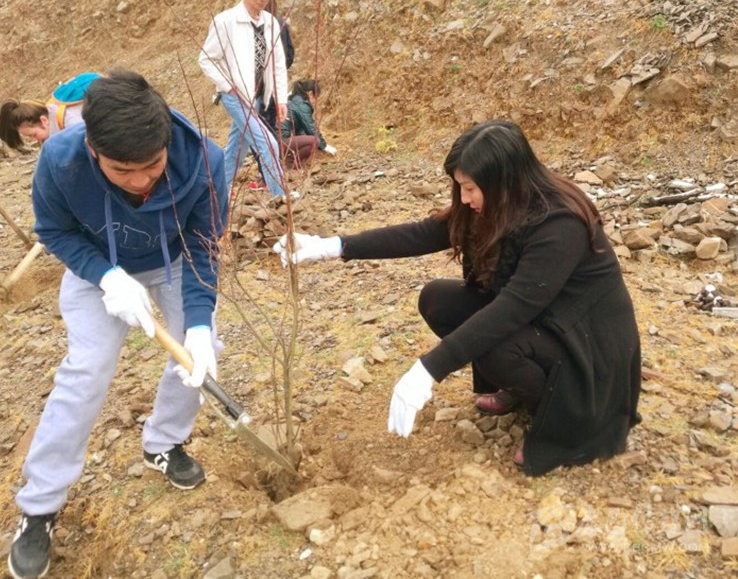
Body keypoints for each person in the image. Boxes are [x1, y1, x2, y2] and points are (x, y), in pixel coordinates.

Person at [274, 120, 641, 477]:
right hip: (547, 321)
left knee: (494, 347)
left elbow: (513, 308)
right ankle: (526, 388)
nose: (464, 199)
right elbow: (421, 234)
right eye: (460, 187)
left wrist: (427, 370)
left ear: (503, 181)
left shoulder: (558, 223)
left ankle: (565, 421)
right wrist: (333, 246)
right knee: (439, 300)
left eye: (470, 188)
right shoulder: (502, 205)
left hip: (587, 347)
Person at [7, 69, 227, 579]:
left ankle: (164, 443)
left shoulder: (206, 161)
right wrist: (107, 277)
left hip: (174, 262)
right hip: (96, 268)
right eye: (122, 170)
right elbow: (54, 232)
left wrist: (198, 325)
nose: (140, 181)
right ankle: (40, 505)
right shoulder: (60, 160)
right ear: (93, 148)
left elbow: (203, 246)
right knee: (87, 370)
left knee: (200, 353)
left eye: (152, 166)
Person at [198, 0, 288, 198]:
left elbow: (278, 63)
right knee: (268, 144)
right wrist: (228, 87)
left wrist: (281, 98)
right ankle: (280, 197)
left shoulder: (270, 22)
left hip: (257, 94)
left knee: (237, 149)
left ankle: (217, 191)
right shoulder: (226, 21)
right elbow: (206, 59)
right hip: (235, 94)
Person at [0, 72, 101, 148]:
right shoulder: (53, 112)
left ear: (44, 120)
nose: (34, 140)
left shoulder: (73, 124)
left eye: (33, 135)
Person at [280, 78, 337, 168]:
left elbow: (301, 130)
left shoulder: (293, 100)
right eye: (315, 97)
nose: (315, 101)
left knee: (311, 141)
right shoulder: (301, 104)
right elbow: (311, 128)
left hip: (276, 140)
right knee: (314, 142)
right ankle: (290, 163)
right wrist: (324, 146)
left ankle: (288, 160)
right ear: (310, 94)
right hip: (282, 141)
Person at [258, 0, 294, 135]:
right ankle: (271, 145)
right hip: (276, 79)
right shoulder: (281, 24)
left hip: (259, 82)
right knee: (271, 121)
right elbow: (289, 53)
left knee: (257, 121)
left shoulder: (257, 24)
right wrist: (281, 69)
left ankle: (265, 146)